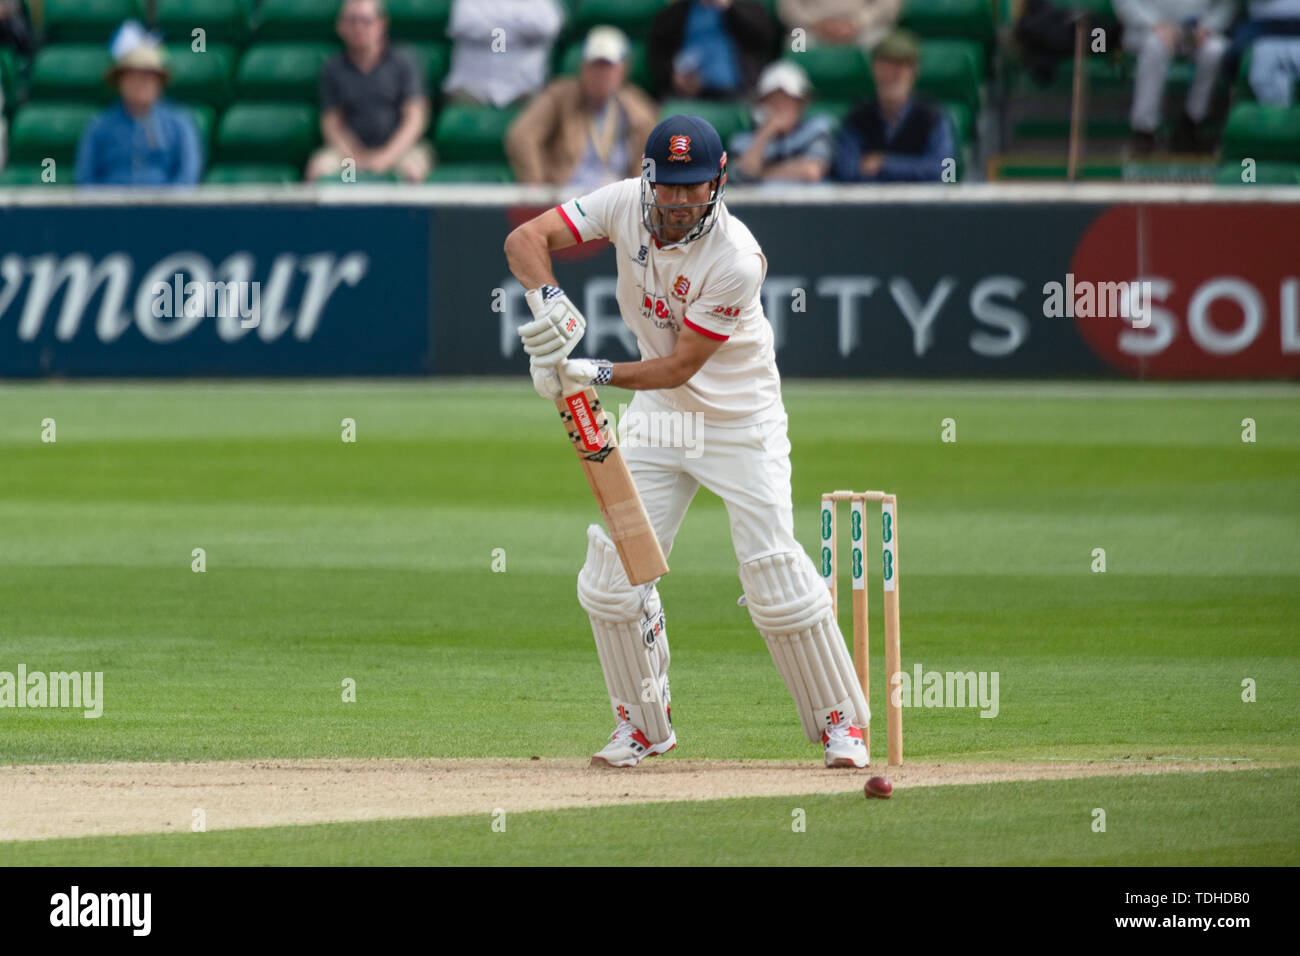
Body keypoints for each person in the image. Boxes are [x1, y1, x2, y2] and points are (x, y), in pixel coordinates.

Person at [503, 115, 872, 770]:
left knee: (774, 576)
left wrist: (584, 370)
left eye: (693, 187)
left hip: (740, 424)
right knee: (612, 577)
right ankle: (643, 726)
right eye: (668, 186)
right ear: (648, 178)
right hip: (660, 420)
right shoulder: (621, 202)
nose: (678, 201)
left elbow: (678, 365)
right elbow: (526, 238)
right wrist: (549, 301)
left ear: (717, 182)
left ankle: (841, 723)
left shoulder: (737, 257)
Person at [505, 26, 657, 190]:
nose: (600, 75)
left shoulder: (639, 109)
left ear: (622, 70)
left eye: (607, 68)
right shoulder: (560, 96)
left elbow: (651, 157)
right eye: (594, 67)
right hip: (568, 198)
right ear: (583, 68)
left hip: (617, 199)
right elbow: (522, 135)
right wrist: (537, 186)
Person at [307, 0, 431, 183]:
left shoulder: (404, 62)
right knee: (319, 169)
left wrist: (386, 157)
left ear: (381, 24)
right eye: (352, 21)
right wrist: (353, 157)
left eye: (366, 21)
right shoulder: (333, 68)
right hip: (349, 156)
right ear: (340, 27)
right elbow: (331, 123)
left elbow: (415, 119)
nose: (359, 27)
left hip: (399, 151)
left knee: (413, 171)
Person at [1113, 0, 1234, 153]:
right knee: (1154, 47)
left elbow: (1227, 5)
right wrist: (1154, 24)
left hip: (1197, 31)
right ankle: (1144, 131)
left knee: (1215, 50)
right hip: (1147, 29)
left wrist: (1209, 26)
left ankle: (1191, 124)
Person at [832, 30, 953, 182]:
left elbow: (944, 171)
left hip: (921, 203)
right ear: (874, 69)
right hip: (868, 202)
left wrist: (884, 164)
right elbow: (846, 171)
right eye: (886, 66)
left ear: (914, 71)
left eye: (902, 66)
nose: (894, 74)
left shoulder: (933, 117)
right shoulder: (857, 117)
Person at [75, 40, 201, 186]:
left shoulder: (180, 124)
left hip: (165, 205)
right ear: (120, 82)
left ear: (159, 83)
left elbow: (187, 176)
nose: (139, 84)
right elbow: (85, 179)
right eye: (132, 77)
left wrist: (169, 205)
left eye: (147, 78)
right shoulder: (99, 126)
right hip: (110, 205)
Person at [442, 0, 565, 107]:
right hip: (470, 90)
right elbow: (464, 24)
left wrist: (494, 25)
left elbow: (549, 27)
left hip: (525, 91)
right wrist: (519, 32)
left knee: (542, 109)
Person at [729, 60, 835, 183]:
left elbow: (810, 172)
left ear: (801, 104)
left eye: (788, 101)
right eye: (773, 101)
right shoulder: (744, 141)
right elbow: (744, 173)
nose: (781, 108)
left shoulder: (817, 130)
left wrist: (761, 173)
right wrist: (766, 132)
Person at [647, 0, 777, 100]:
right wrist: (673, 75)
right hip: (687, 94)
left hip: (736, 93)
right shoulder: (678, 11)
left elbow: (763, 38)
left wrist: (730, 8)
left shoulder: (744, 6)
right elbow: (658, 51)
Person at [777, 0, 902, 50]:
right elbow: (787, 8)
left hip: (861, 29)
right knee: (796, 45)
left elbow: (889, 5)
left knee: (882, 45)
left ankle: (872, 100)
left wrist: (858, 23)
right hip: (813, 28)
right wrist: (814, 23)